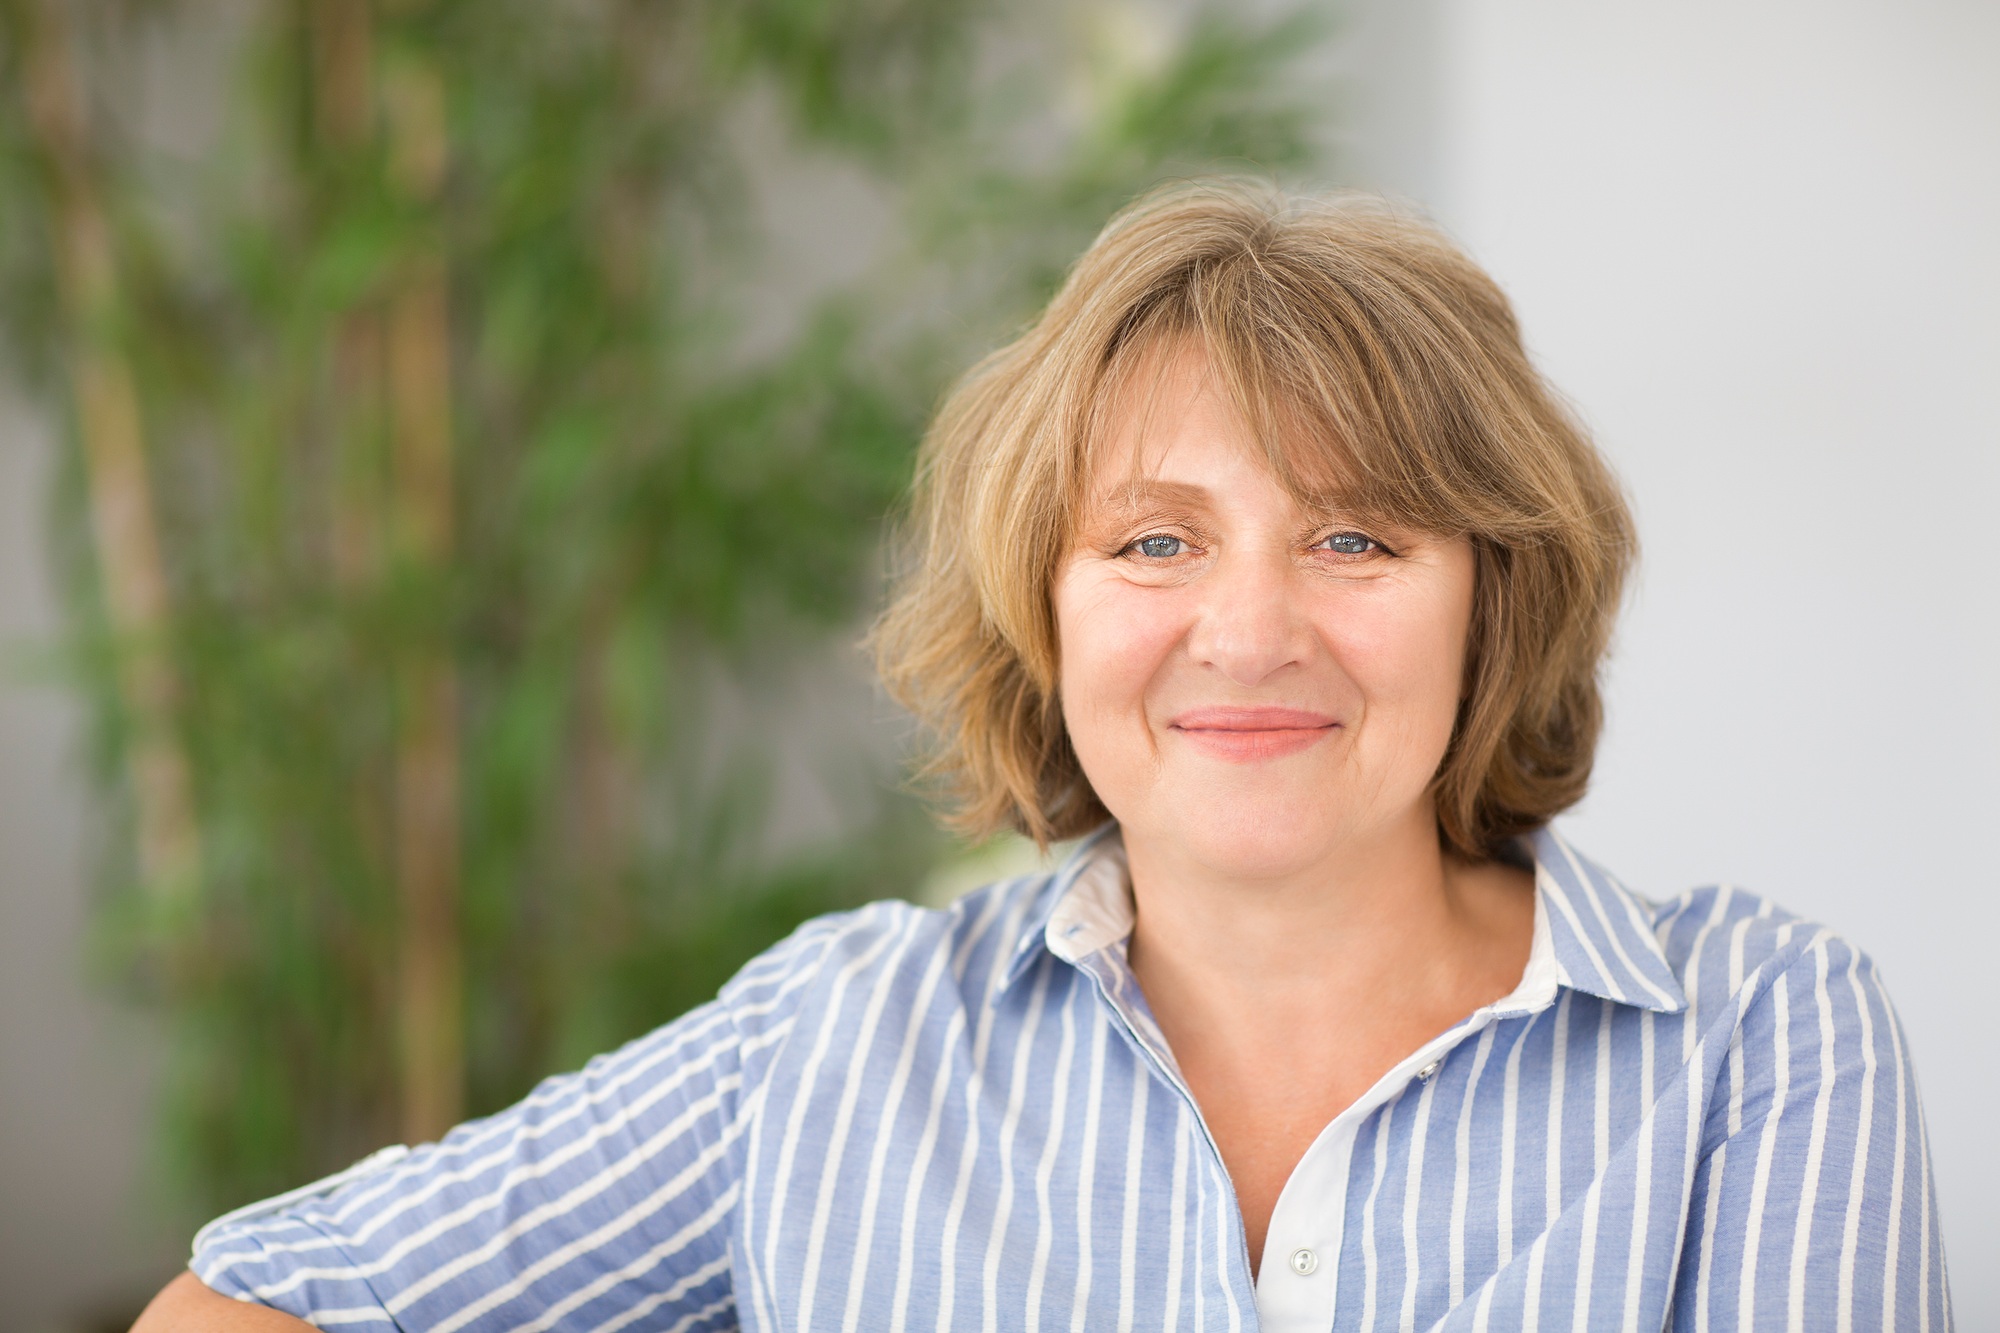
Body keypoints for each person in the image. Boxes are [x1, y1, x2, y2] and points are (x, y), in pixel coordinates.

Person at [134, 181, 1950, 1332]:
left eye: (1357, 536)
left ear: (1496, 592)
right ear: (1045, 609)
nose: (1250, 630)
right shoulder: (832, 1041)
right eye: (1155, 541)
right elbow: (244, 1302)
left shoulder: (1761, 1037)